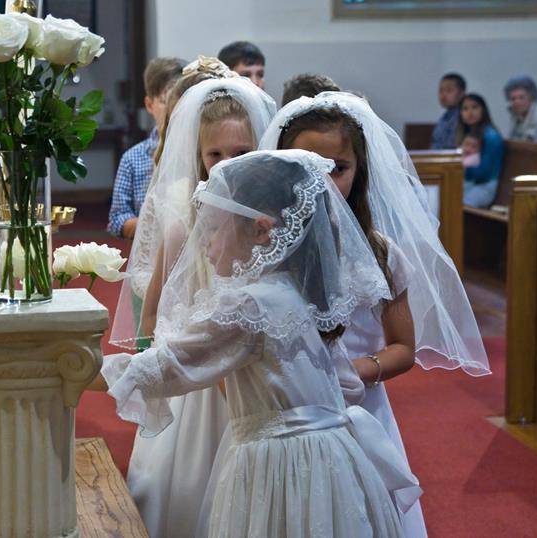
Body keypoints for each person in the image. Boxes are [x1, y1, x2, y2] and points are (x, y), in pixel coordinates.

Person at [97, 149, 419, 537]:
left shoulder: (250, 304)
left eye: (214, 228)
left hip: (283, 466)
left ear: (262, 230)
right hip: (330, 456)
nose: (206, 243)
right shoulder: (294, 290)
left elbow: (167, 367)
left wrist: (78, 371)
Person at [260, 92, 492, 537]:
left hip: (359, 407)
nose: (325, 181)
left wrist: (363, 370)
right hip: (290, 418)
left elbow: (404, 346)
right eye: (308, 167)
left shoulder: (381, 252)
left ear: (358, 171)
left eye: (339, 169)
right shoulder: (264, 250)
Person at [108, 76, 277, 538]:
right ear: (200, 158)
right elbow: (154, 308)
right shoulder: (185, 223)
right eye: (215, 156)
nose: (227, 165)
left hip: (254, 374)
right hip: (199, 377)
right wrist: (151, 371)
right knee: (187, 488)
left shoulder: (274, 222)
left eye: (240, 153)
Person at [107, 57, 185, 238]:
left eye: (181, 101)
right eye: (167, 101)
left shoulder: (200, 151)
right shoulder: (133, 158)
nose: (175, 109)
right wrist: (155, 222)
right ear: (150, 105)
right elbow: (118, 219)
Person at [456, 93, 505, 208]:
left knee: (458, 206)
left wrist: (463, 167)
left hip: (485, 185)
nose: (470, 113)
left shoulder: (491, 136)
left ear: (483, 110)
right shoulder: (466, 133)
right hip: (469, 182)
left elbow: (484, 173)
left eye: (475, 107)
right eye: (465, 109)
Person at [504, 75, 537, 144]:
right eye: (513, 99)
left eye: (521, 98)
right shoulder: (516, 115)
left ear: (532, 98)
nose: (517, 102)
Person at [430, 73, 466, 149]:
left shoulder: (465, 117)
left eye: (449, 90)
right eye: (441, 90)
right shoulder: (444, 117)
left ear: (461, 93)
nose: (443, 94)